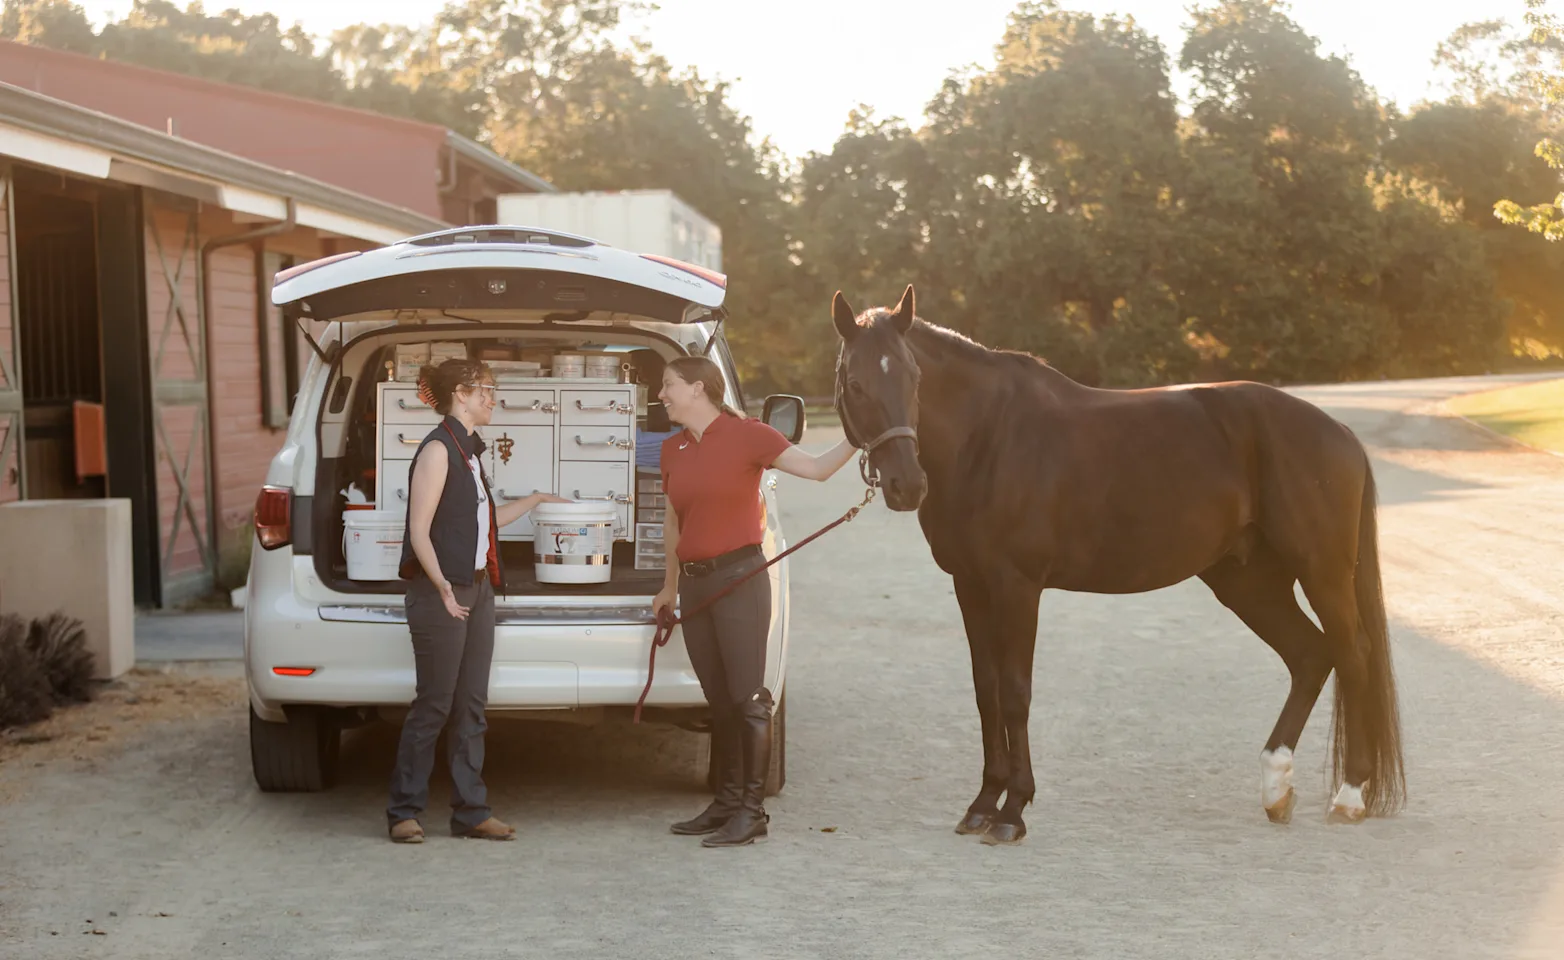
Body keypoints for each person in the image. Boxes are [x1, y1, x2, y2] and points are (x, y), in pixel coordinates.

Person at [653, 355, 858, 847]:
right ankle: (725, 802)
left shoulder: (750, 435)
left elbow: (815, 469)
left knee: (749, 700)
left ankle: (752, 810)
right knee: (719, 701)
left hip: (740, 579)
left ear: (699, 388)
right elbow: (674, 522)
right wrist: (668, 584)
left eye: (668, 385)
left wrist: (856, 436)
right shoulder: (672, 448)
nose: (661, 394)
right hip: (697, 584)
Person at [386, 357, 570, 844]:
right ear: (460, 394)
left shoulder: (468, 453)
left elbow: (483, 524)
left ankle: (470, 811)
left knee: (470, 705)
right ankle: (403, 810)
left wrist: (535, 501)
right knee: (434, 705)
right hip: (441, 592)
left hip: (476, 588)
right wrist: (443, 585)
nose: (493, 398)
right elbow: (418, 531)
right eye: (485, 389)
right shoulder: (437, 452)